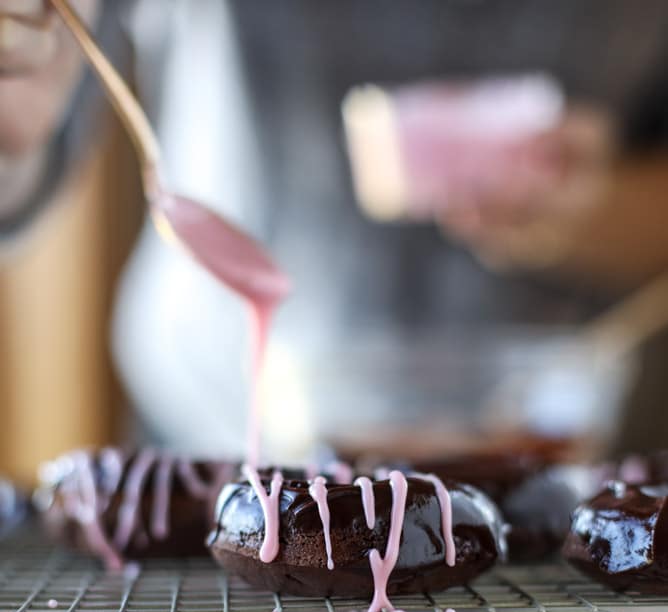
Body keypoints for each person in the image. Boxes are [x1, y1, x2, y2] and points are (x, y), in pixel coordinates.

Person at [2, 0, 668, 463]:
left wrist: (605, 206)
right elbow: (20, 170)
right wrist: (15, 116)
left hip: (556, 471)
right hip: (215, 445)